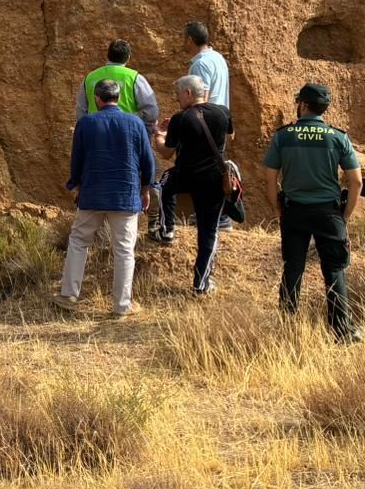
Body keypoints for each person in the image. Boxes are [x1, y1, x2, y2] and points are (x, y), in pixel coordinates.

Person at [262, 82, 365, 344]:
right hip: (328, 213)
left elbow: (270, 177)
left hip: (294, 211)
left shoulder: (283, 136)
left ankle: (287, 327)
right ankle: (343, 331)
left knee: (293, 268)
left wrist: (276, 207)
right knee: (334, 269)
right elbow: (356, 182)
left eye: (298, 102)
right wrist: (345, 216)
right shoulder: (338, 137)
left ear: (304, 105)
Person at [54, 78, 156, 317]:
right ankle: (122, 305)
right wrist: (146, 188)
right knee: (123, 250)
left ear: (97, 99)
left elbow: (76, 159)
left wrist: (76, 185)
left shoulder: (86, 123)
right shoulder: (135, 122)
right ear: (118, 98)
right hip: (126, 194)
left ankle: (69, 295)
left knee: (79, 241)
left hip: (93, 193)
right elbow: (147, 160)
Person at [153, 76, 232, 295]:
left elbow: (167, 153)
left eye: (178, 94)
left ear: (188, 93)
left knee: (163, 184)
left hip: (186, 175)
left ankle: (167, 229)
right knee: (208, 232)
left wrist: (159, 136)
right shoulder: (223, 112)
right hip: (214, 179)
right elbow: (229, 136)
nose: (177, 98)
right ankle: (201, 283)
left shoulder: (181, 118)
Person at [75, 39, 161, 132]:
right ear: (128, 57)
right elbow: (151, 112)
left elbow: (81, 111)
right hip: (126, 133)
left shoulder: (90, 78)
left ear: (107, 56)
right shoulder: (134, 78)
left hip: (96, 133)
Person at [183, 21, 230, 113]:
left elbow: (202, 101)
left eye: (183, 38)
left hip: (208, 122)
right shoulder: (218, 57)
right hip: (221, 119)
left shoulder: (200, 64)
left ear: (189, 40)